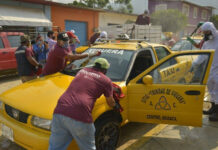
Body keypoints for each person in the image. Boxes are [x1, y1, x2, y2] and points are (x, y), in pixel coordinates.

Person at [49, 58, 116, 150]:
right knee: (88, 147)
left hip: (60, 110)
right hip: (80, 115)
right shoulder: (106, 80)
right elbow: (110, 102)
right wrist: (115, 105)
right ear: (105, 70)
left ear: (94, 65)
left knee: (55, 147)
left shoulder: (82, 71)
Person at [190, 22, 218, 121]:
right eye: (204, 33)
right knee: (212, 90)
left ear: (212, 30)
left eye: (207, 32)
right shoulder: (206, 43)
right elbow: (202, 55)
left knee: (217, 89)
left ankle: (217, 113)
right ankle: (214, 108)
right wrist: (194, 64)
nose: (206, 35)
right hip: (210, 70)